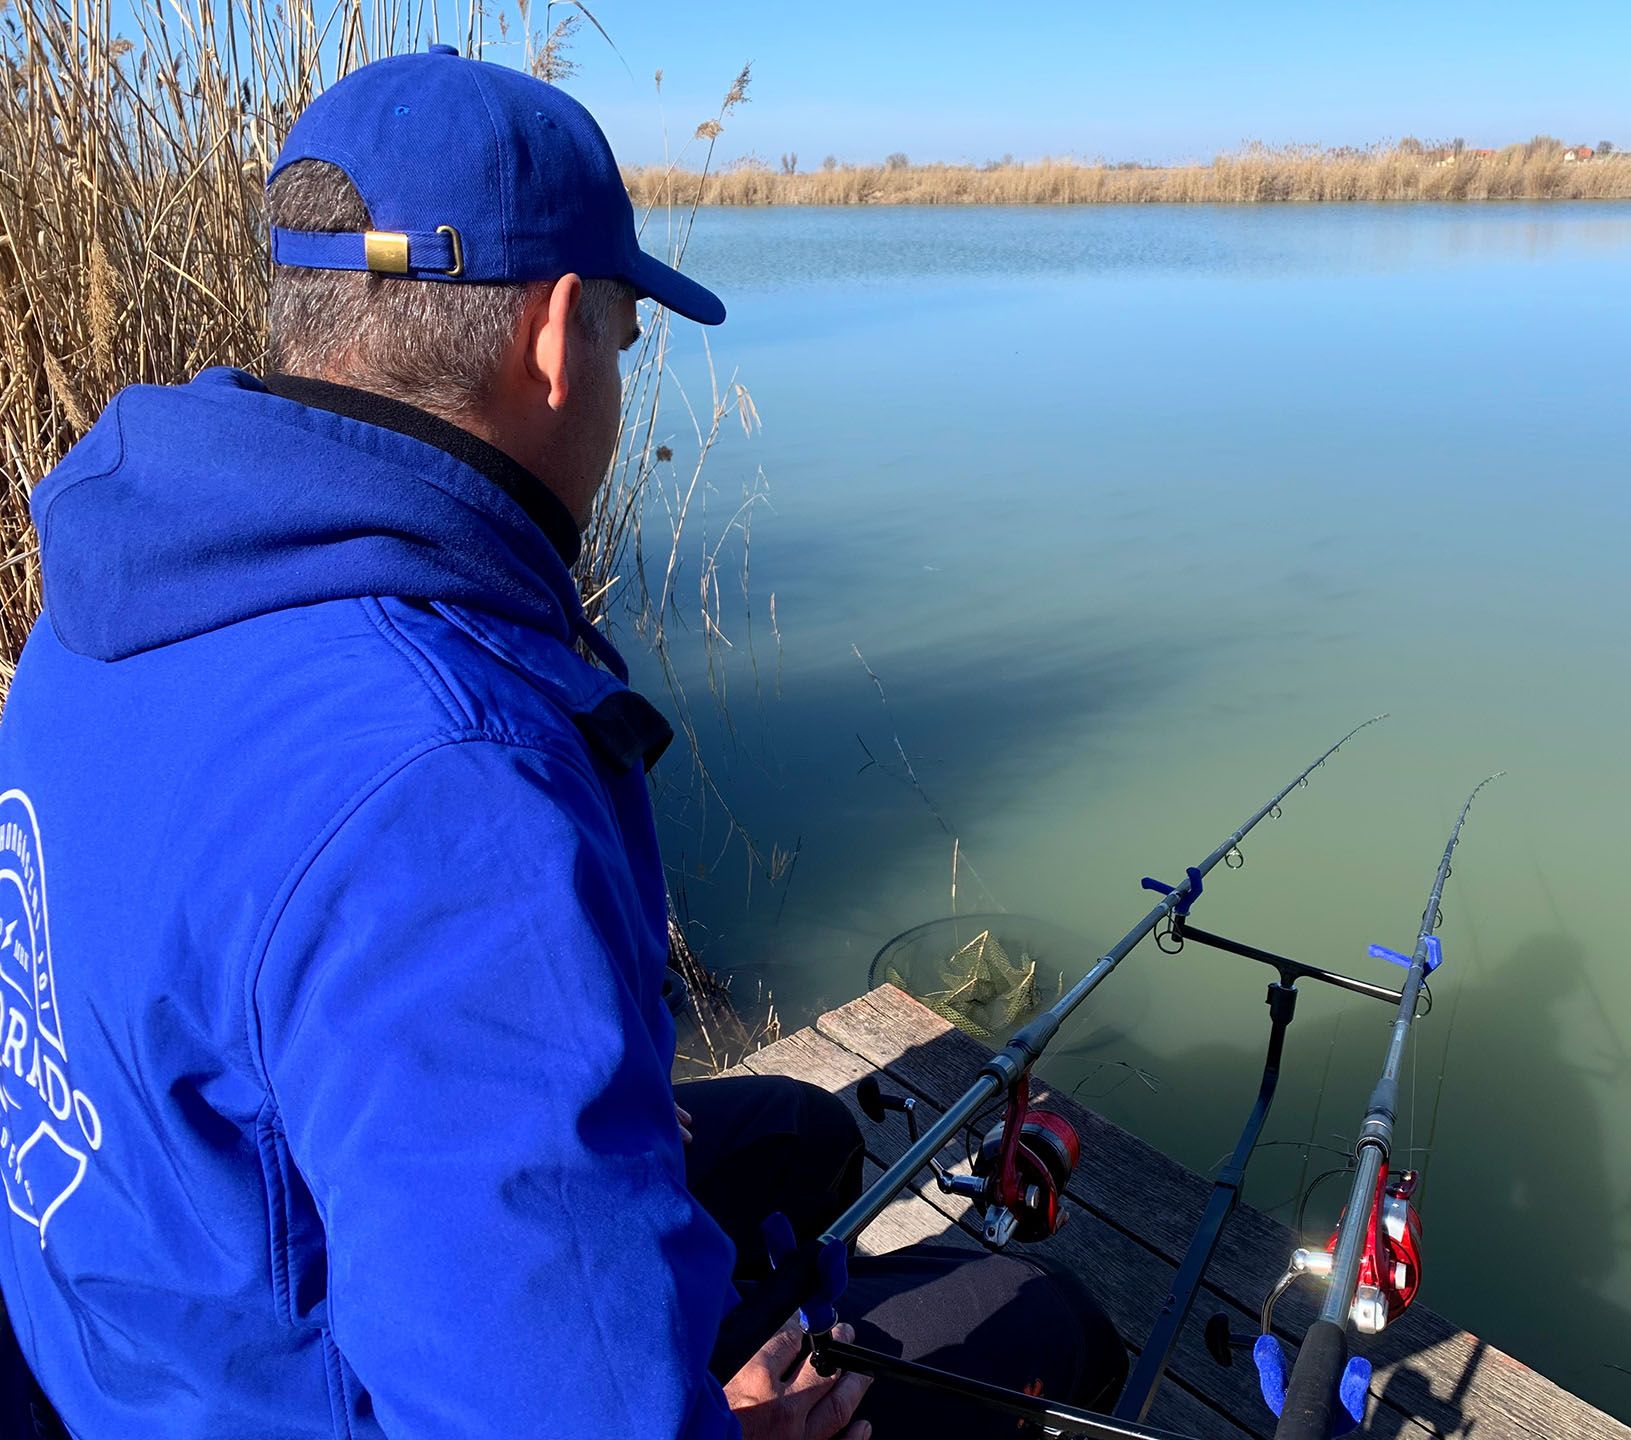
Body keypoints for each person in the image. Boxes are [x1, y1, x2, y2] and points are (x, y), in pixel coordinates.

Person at [0, 45, 1124, 1440]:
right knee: (1049, 1326)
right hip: (296, 1392)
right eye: (621, 336)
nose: (614, 376)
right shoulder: (452, 792)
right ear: (552, 337)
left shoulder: (126, 580)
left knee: (804, 1133)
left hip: (144, 1330)